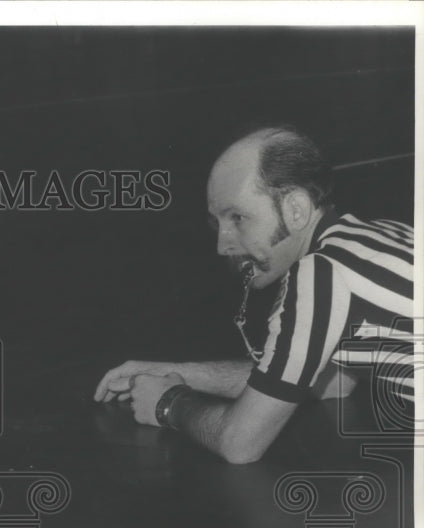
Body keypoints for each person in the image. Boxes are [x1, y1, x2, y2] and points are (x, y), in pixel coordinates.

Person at [94, 125, 414, 463]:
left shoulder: (322, 274)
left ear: (296, 209)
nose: (223, 245)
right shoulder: (388, 232)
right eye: (218, 223)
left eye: (238, 217)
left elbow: (240, 444)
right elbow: (333, 382)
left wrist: (169, 403)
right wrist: (180, 373)